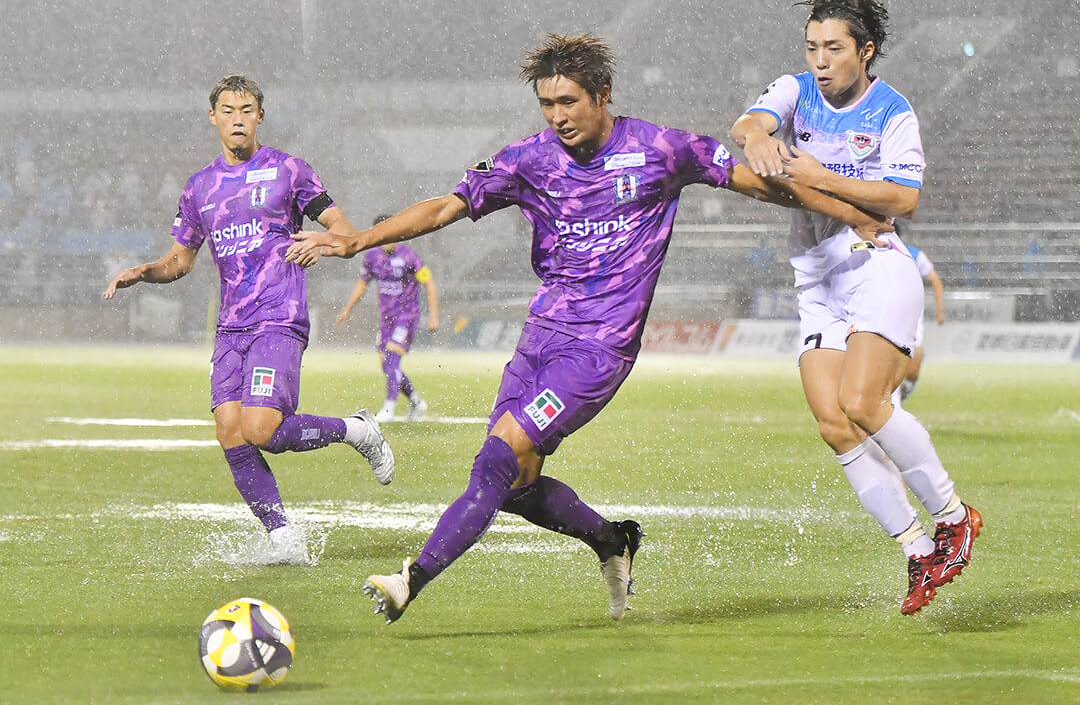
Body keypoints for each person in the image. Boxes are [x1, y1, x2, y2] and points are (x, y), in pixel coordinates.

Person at [287, 34, 889, 623]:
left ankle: (409, 581)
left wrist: (853, 212)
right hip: (539, 339)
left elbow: (760, 184)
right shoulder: (529, 160)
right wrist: (361, 238)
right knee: (515, 485)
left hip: (597, 350)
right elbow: (449, 204)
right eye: (547, 105)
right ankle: (611, 540)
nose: (557, 117)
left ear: (602, 95)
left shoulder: (660, 149)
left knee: (497, 461)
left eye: (568, 102)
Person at [730, 0, 981, 615]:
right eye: (813, 47)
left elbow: (902, 200)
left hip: (875, 266)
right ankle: (920, 550)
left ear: (865, 51)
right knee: (835, 422)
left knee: (863, 402)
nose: (820, 60)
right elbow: (747, 124)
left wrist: (817, 175)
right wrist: (755, 137)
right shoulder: (795, 90)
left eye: (834, 48)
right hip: (816, 281)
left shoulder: (893, 111)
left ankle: (954, 516)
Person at [103, 75, 395, 565]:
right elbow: (181, 260)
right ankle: (283, 537)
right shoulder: (200, 188)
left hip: (278, 317)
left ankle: (357, 430)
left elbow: (343, 231)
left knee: (262, 429)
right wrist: (145, 272)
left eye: (247, 109)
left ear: (260, 116)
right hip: (231, 326)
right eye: (228, 109)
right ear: (212, 117)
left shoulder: (288, 170)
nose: (237, 118)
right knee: (231, 433)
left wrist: (319, 242)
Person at [336, 215, 439, 422]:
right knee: (387, 366)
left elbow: (429, 282)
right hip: (386, 321)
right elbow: (362, 283)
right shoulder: (372, 257)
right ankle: (417, 402)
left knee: (392, 359)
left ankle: (388, 409)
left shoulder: (409, 256)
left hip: (406, 317)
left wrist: (434, 316)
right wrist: (347, 309)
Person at [891, 222, 945, 403]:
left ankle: (900, 398)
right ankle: (891, 405)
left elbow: (935, 279)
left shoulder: (914, 255)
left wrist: (939, 308)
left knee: (912, 371)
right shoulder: (876, 253)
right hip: (888, 315)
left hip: (913, 317)